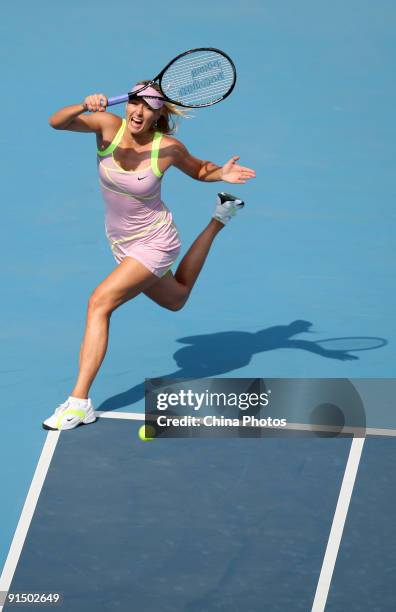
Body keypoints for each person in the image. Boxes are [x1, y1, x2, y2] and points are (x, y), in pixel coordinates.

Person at [43, 82, 256, 430]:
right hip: (121, 242)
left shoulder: (167, 148)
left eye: (148, 108)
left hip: (154, 241)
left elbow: (200, 169)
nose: (138, 113)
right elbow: (57, 122)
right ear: (126, 105)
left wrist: (221, 172)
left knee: (99, 302)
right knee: (177, 299)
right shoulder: (107, 126)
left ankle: (79, 403)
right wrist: (83, 105)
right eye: (134, 104)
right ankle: (220, 218)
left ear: (160, 115)